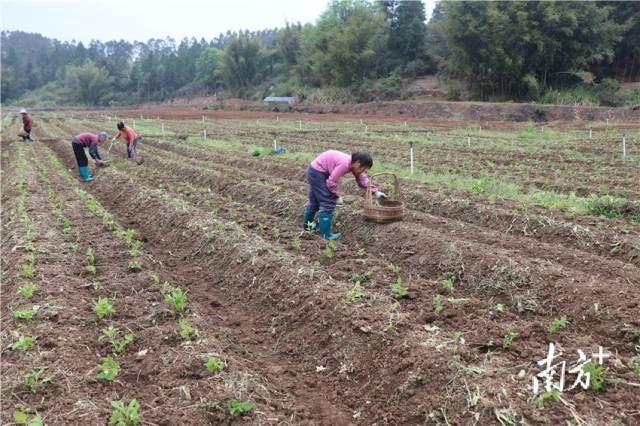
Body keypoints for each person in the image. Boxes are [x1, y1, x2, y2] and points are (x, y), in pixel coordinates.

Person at [304, 150, 386, 240]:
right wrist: (336, 195)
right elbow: (331, 182)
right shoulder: (344, 164)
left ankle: (308, 227)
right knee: (327, 203)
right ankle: (326, 235)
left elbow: (362, 179)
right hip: (318, 173)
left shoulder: (353, 164)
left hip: (314, 171)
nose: (363, 170)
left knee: (314, 202)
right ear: (358, 163)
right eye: (364, 168)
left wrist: (375, 192)